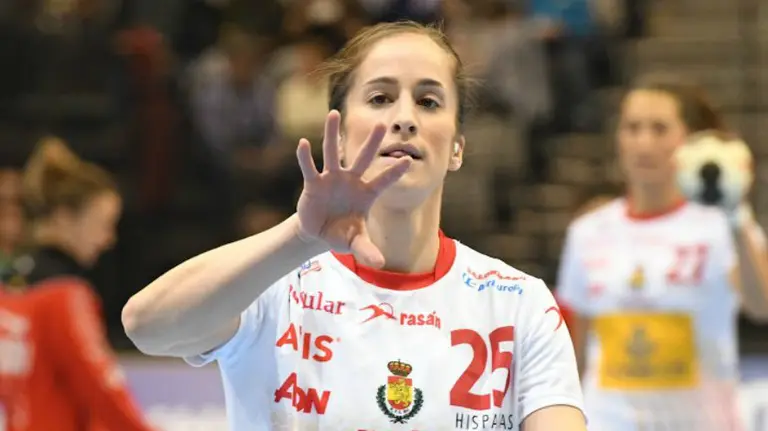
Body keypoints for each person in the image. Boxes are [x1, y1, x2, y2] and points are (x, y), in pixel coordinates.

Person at [122, 21, 586, 430]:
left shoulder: (519, 306)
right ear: (339, 139)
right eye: (381, 98)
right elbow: (146, 327)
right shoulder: (274, 287)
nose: (404, 119)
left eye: (428, 101)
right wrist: (299, 238)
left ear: (458, 148)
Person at [556, 74, 768, 431]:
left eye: (659, 129)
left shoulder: (721, 226)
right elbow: (575, 349)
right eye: (632, 128)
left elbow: (761, 306)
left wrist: (736, 218)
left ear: (689, 141)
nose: (643, 142)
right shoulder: (587, 232)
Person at [0, 137, 155, 431]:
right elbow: (102, 388)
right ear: (64, 217)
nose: (109, 239)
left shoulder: (11, 288)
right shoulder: (64, 295)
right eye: (103, 223)